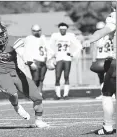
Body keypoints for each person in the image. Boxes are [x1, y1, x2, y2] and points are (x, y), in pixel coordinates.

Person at [0, 20, 50, 128]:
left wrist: (29, 61)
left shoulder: (12, 40)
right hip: (0, 74)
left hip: (16, 72)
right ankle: (16, 106)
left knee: (37, 97)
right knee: (13, 94)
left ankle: (38, 120)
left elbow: (22, 52)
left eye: (1, 34)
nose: (0, 37)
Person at [83, 2, 116, 135]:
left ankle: (107, 126)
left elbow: (104, 30)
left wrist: (91, 39)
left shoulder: (114, 16)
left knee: (107, 94)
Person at [49, 22, 82, 100]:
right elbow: (49, 46)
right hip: (58, 58)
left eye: (64, 30)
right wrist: (53, 54)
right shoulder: (55, 35)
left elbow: (79, 46)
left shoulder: (70, 36)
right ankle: (58, 95)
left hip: (67, 59)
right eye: (61, 30)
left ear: (66, 30)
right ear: (59, 29)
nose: (62, 31)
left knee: (66, 76)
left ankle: (65, 95)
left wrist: (73, 54)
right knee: (57, 77)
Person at [90, 22, 114, 100]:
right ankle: (104, 93)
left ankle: (111, 93)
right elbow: (94, 50)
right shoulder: (98, 37)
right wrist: (93, 61)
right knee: (101, 77)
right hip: (100, 58)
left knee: (109, 77)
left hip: (108, 58)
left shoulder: (110, 36)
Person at [23, 24, 48, 95]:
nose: (37, 32)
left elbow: (47, 49)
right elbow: (26, 51)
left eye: (38, 30)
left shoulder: (43, 37)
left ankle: (39, 93)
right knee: (35, 78)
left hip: (43, 60)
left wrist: (49, 59)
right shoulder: (29, 38)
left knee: (41, 79)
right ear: (32, 31)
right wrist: (30, 62)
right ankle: (32, 94)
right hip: (35, 61)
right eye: (34, 31)